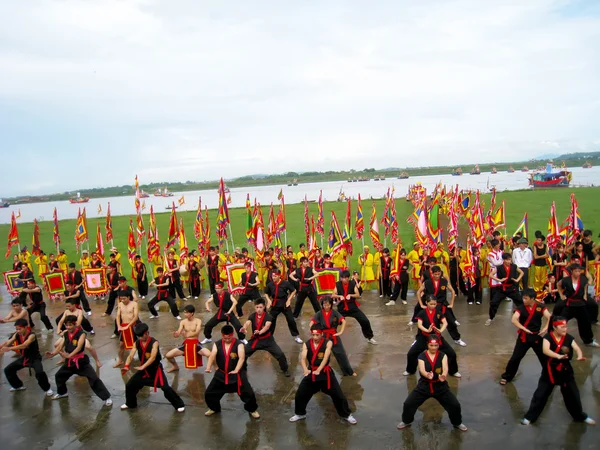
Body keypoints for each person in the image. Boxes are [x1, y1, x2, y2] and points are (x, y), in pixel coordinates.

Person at [521, 317, 595, 425]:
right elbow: (545, 350)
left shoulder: (568, 338)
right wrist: (558, 356)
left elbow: (577, 348)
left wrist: (580, 356)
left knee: (573, 396)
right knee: (540, 395)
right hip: (550, 370)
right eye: (562, 327)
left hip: (565, 371)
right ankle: (530, 417)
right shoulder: (547, 338)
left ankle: (579, 416)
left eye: (566, 326)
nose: (565, 329)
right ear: (555, 327)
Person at [289, 325, 357, 424]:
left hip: (325, 373)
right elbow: (303, 358)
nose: (315, 337)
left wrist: (319, 369)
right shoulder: (306, 344)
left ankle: (346, 415)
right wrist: (305, 369)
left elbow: (325, 358)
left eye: (317, 335)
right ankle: (300, 414)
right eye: (313, 335)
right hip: (311, 372)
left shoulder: (328, 342)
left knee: (338, 395)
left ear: (321, 334)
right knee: (300, 394)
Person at [397, 335, 467, 431]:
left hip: (440, 386)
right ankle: (406, 421)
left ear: (438, 345)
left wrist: (443, 375)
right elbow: (422, 370)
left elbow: (445, 368)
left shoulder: (443, 355)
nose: (433, 348)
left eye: (436, 345)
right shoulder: (421, 356)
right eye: (431, 345)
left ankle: (457, 423)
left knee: (455, 405)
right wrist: (427, 374)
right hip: (424, 386)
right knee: (408, 404)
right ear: (427, 345)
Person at [48, 315, 112, 405]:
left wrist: (69, 355)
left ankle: (106, 397)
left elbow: (78, 347)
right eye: (66, 325)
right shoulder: (66, 334)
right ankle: (62, 393)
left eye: (70, 325)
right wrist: (53, 354)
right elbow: (60, 346)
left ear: (75, 324)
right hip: (70, 362)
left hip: (81, 362)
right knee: (59, 376)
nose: (68, 327)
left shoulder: (81, 333)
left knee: (93, 378)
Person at [120, 323, 185, 412]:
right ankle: (130, 403)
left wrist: (143, 366)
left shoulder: (154, 343)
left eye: (141, 336)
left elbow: (153, 357)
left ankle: (179, 405)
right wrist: (127, 366)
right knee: (130, 385)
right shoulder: (137, 342)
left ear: (147, 333)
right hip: (144, 370)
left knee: (165, 388)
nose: (140, 338)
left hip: (155, 370)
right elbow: (131, 355)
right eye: (138, 336)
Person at [204, 325, 260, 418]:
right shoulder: (217, 344)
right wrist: (208, 367)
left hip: (237, 375)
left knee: (248, 393)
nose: (226, 339)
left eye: (228, 337)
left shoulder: (239, 344)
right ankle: (214, 408)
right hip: (221, 374)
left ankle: (252, 410)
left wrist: (236, 370)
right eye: (224, 338)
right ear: (222, 335)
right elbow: (212, 355)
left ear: (232, 335)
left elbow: (241, 358)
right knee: (209, 393)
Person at [500, 288, 552, 384]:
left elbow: (549, 317)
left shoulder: (540, 307)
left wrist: (545, 329)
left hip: (537, 336)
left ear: (532, 299)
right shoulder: (520, 308)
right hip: (524, 337)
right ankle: (507, 376)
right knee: (515, 358)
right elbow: (514, 319)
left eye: (526, 298)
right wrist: (523, 329)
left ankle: (550, 375)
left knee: (544, 357)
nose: (524, 300)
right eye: (523, 298)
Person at [404, 296, 460, 377]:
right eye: (431, 304)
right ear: (426, 303)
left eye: (435, 304)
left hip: (436, 337)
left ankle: (453, 371)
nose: (433, 306)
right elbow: (419, 325)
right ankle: (410, 370)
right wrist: (426, 330)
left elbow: (445, 322)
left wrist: (441, 330)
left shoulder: (438, 312)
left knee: (451, 353)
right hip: (424, 337)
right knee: (411, 353)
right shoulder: (422, 313)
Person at [415, 266, 465, 346]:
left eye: (439, 274)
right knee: (425, 322)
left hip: (442, 305)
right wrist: (421, 304)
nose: (437, 276)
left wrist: (451, 303)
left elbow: (452, 291)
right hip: (430, 306)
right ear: (432, 273)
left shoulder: (444, 281)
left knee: (451, 322)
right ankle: (418, 340)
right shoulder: (427, 282)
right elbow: (418, 293)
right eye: (435, 274)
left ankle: (457, 339)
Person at [1, 319, 53, 396]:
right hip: (24, 358)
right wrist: (2, 346)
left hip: (35, 358)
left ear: (26, 327)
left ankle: (47, 389)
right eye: (17, 329)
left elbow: (24, 345)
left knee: (39, 373)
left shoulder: (32, 335)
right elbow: (8, 342)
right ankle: (18, 386)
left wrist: (9, 349)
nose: (18, 331)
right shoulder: (17, 334)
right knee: (8, 370)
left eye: (20, 329)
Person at [553, 264, 598, 347]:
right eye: (576, 271)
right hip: (569, 304)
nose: (578, 273)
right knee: (560, 320)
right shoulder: (566, 280)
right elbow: (558, 285)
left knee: (585, 323)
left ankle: (588, 340)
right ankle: (555, 339)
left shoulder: (583, 279)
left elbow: (586, 285)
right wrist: (561, 295)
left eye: (579, 271)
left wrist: (585, 294)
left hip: (580, 304)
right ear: (572, 271)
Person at [242, 299, 290, 376]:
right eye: (257, 307)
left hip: (268, 341)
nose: (258, 309)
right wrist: (244, 327)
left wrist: (260, 332)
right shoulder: (253, 315)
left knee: (280, 354)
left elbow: (267, 327)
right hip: (256, 340)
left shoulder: (269, 317)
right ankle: (243, 367)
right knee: (243, 353)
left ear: (264, 307)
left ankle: (285, 369)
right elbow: (247, 322)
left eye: (260, 307)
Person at [311, 296, 356, 376]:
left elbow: (343, 321)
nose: (326, 307)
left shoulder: (335, 313)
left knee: (341, 354)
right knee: (319, 354)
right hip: (323, 336)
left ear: (331, 305)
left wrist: (341, 332)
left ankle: (349, 372)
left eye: (328, 305)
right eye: (325, 305)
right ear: (322, 305)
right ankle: (314, 370)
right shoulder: (319, 313)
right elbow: (311, 323)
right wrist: (315, 334)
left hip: (333, 335)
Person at [333, 270, 377, 344]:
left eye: (346, 278)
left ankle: (369, 337)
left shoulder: (352, 284)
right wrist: (339, 296)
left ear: (348, 278)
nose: (344, 279)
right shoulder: (338, 284)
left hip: (352, 306)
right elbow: (333, 295)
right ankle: (330, 338)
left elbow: (358, 295)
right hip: (342, 308)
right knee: (333, 322)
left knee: (365, 320)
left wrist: (351, 295)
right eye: (342, 278)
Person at [165, 305, 211, 372]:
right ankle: (175, 366)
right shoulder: (183, 322)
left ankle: (215, 367)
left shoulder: (198, 321)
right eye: (184, 312)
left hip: (196, 343)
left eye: (187, 313)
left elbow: (197, 331)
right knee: (168, 355)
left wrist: (188, 335)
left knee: (209, 354)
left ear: (192, 313)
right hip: (186, 344)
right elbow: (179, 331)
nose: (185, 314)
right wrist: (176, 334)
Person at [264, 270, 303, 343]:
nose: (273, 278)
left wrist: (289, 300)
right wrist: (269, 301)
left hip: (284, 304)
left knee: (291, 320)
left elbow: (294, 290)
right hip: (275, 304)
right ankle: (269, 337)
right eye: (272, 276)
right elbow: (266, 293)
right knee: (271, 320)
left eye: (275, 276)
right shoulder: (270, 284)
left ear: (279, 276)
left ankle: (296, 336)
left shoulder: (285, 283)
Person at [486, 253, 524, 326]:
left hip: (512, 288)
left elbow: (521, 272)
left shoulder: (514, 266)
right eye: (507, 260)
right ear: (504, 260)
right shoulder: (499, 267)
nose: (509, 261)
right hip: (502, 288)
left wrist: (517, 280)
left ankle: (523, 316)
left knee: (520, 301)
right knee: (494, 302)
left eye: (510, 260)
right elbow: (490, 275)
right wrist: (499, 280)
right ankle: (491, 317)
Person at [114, 293, 140, 368]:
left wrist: (128, 326)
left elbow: (135, 316)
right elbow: (118, 316)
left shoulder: (134, 304)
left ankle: (143, 360)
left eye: (124, 298)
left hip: (133, 326)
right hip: (124, 326)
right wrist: (119, 326)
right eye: (121, 299)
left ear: (128, 297)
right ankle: (120, 360)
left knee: (138, 344)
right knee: (121, 345)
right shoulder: (120, 304)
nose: (122, 300)